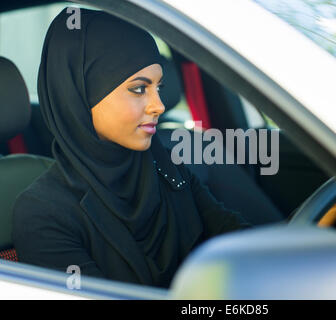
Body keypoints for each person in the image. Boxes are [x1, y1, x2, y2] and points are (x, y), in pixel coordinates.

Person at [12, 8, 251, 288]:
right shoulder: (43, 212)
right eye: (139, 89)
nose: (159, 105)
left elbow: (230, 232)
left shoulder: (163, 163)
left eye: (158, 88)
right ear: (82, 95)